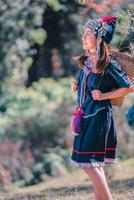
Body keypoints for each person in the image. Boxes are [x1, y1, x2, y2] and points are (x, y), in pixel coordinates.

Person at [70, 15, 134, 200]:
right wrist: (77, 84)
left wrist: (104, 95)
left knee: (89, 164)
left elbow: (129, 87)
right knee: (95, 165)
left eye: (88, 34)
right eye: (83, 33)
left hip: (98, 117)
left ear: (99, 39)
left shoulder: (107, 63)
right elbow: (87, 83)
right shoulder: (87, 62)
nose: (84, 37)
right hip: (85, 116)